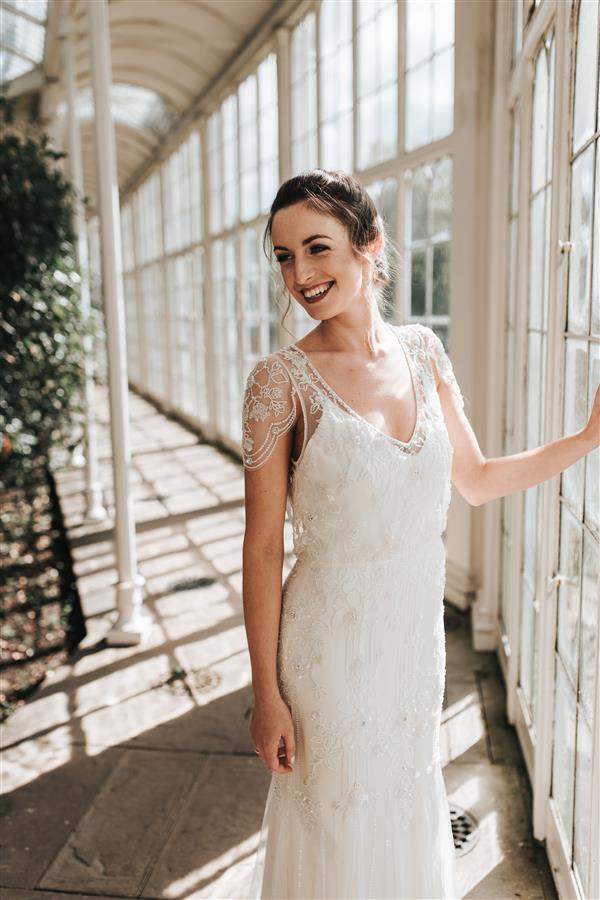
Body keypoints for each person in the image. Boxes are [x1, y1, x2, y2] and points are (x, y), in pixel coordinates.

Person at [240, 169, 600, 900]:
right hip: (326, 656)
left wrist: (589, 437)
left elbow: (478, 478)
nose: (300, 274)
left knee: (402, 801)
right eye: (284, 256)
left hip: (412, 646)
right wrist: (266, 693)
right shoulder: (278, 382)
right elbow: (262, 547)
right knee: (335, 823)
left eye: (317, 248)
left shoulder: (425, 353)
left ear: (371, 245)